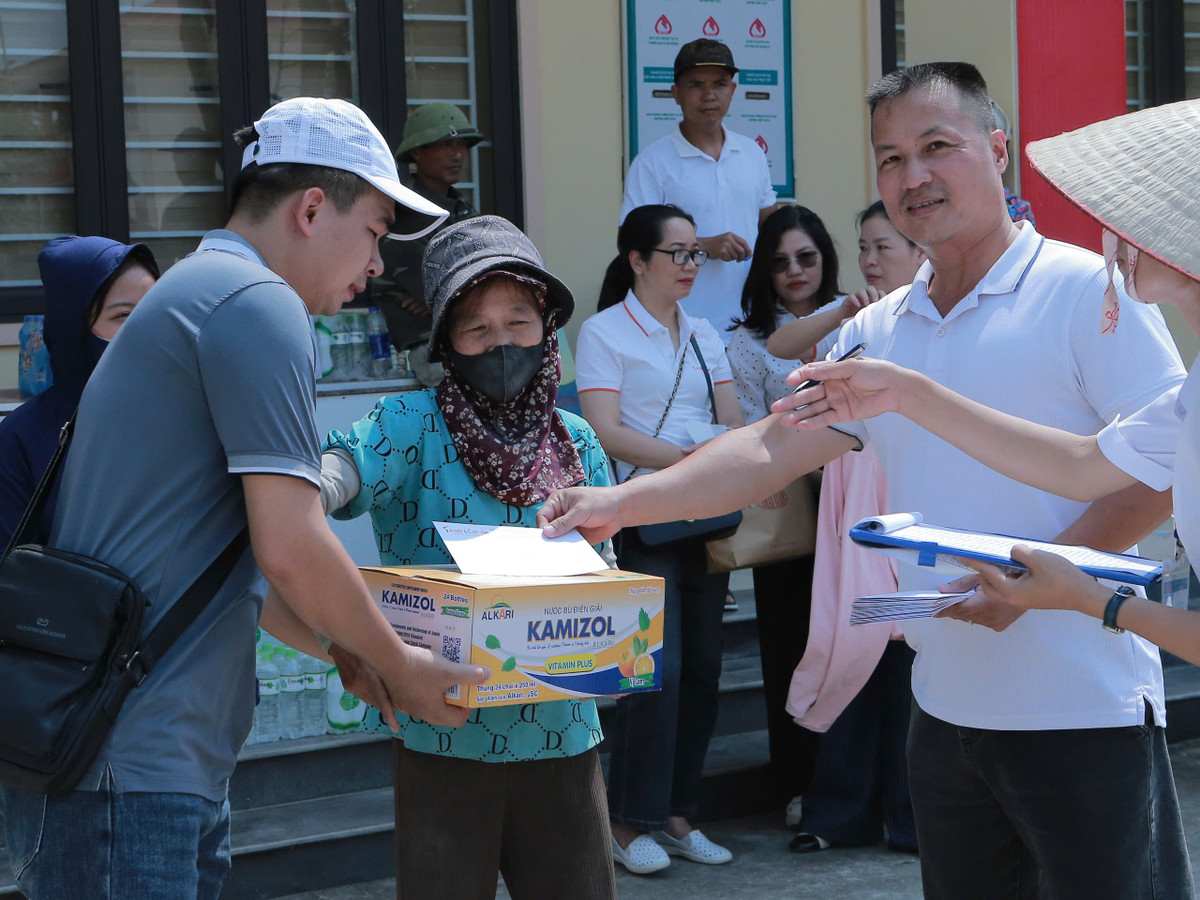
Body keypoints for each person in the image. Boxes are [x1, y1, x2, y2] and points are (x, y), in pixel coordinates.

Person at [539, 62, 1192, 899]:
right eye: (890, 159)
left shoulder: (1088, 293)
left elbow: (1160, 470)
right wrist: (619, 502)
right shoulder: (880, 329)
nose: (912, 176)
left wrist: (1037, 582)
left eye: (936, 147)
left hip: (1080, 710)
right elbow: (770, 451)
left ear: (997, 150)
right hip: (945, 713)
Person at [0, 96, 487, 900]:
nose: (374, 265)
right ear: (310, 209)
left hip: (149, 760)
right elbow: (292, 548)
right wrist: (400, 665)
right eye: (372, 231)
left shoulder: (203, 290)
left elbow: (233, 574)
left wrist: (345, 651)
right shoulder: (255, 305)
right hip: (135, 768)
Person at [781, 96, 1200, 672]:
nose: (1114, 231)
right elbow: (1082, 467)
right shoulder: (1189, 398)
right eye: (892, 158)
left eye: (1137, 210)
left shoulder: (1077, 288)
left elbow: (1106, 476)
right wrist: (910, 393)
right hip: (944, 689)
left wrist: (1084, 596)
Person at [321, 215, 617, 900]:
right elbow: (347, 465)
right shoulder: (411, 423)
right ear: (447, 343)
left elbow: (609, 577)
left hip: (563, 733)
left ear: (547, 327)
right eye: (476, 329)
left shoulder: (576, 439)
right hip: (444, 736)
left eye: (518, 321)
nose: (501, 342)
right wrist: (312, 482)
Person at [575, 203, 744, 874]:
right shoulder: (604, 332)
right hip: (643, 515)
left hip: (705, 513)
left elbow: (732, 421)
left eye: (695, 253)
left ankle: (677, 815)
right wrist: (689, 463)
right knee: (655, 671)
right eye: (676, 253)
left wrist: (711, 462)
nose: (689, 265)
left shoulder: (705, 333)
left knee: (703, 668)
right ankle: (625, 821)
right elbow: (605, 432)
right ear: (637, 260)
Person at [781, 201, 924, 856]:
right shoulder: (856, 327)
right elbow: (783, 363)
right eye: (863, 247)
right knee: (851, 640)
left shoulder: (937, 326)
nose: (868, 260)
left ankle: (907, 814)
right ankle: (836, 811)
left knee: (903, 653)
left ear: (921, 251)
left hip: (909, 507)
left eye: (883, 247)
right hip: (855, 500)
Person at [723, 205, 845, 823]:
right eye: (779, 262)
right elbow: (749, 428)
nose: (795, 271)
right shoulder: (745, 342)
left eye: (806, 256)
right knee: (791, 647)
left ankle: (856, 780)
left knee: (857, 644)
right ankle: (797, 783)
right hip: (792, 511)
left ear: (825, 257)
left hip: (854, 509)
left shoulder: (862, 315)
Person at [0, 236, 158, 551]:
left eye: (156, 310)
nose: (148, 328)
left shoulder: (189, 417)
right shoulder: (20, 439)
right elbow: (13, 580)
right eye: (123, 316)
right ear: (74, 328)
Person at [621, 39, 778, 338]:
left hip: (750, 324)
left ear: (732, 91)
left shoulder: (752, 153)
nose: (709, 95)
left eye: (719, 84)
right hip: (678, 326)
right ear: (676, 94)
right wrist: (702, 246)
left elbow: (770, 224)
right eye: (695, 85)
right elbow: (631, 241)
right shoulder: (653, 162)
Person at [371, 102, 482, 386]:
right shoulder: (402, 212)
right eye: (446, 145)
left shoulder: (463, 210)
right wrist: (445, 296)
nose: (457, 155)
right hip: (426, 348)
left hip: (475, 339)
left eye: (461, 145)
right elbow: (432, 285)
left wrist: (443, 299)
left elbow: (482, 281)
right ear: (418, 151)